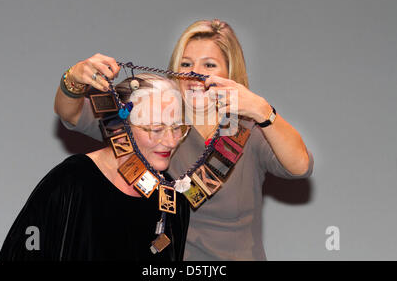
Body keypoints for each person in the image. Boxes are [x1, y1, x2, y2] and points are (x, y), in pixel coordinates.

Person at [53, 19, 314, 260]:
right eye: (186, 64)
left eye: (209, 65)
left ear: (230, 72)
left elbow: (301, 165)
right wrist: (73, 78)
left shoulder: (246, 129)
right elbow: (71, 114)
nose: (194, 74)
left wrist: (262, 110)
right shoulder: (152, 120)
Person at [0, 74, 190, 261]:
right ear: (119, 128)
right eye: (156, 129)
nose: (171, 141)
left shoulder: (173, 202)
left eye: (177, 128)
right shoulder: (73, 181)